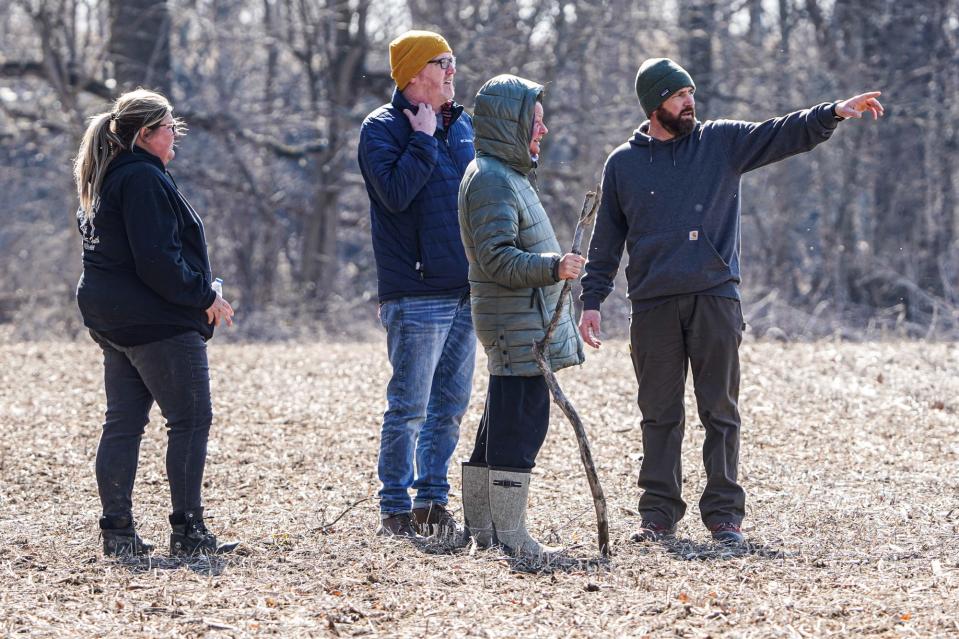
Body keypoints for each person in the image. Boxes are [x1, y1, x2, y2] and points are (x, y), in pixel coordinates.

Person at [579, 58, 883, 545]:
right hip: (653, 303)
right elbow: (607, 240)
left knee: (719, 410)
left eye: (691, 92)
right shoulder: (624, 164)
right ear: (655, 103)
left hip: (714, 296)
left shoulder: (718, 143)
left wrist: (833, 113)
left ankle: (724, 517)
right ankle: (657, 515)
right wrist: (592, 298)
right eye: (679, 95)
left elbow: (779, 133)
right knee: (659, 414)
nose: (689, 102)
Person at [74, 89, 239, 556]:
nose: (175, 136)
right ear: (145, 134)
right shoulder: (142, 178)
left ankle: (117, 532)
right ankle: (189, 533)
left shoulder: (109, 175)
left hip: (112, 319)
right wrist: (205, 295)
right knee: (190, 421)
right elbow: (156, 261)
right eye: (169, 127)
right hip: (154, 322)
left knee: (123, 423)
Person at [458, 74, 585, 558]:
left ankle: (485, 533)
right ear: (510, 124)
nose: (543, 131)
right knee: (520, 424)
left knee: (501, 420)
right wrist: (555, 267)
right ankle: (510, 540)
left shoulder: (502, 174)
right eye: (535, 122)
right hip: (516, 322)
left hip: (518, 319)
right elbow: (496, 258)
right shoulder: (491, 178)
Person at [357, 31, 476, 538]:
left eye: (451, 60)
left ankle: (432, 501)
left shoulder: (463, 124)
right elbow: (395, 195)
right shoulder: (381, 129)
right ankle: (394, 508)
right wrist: (423, 140)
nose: (452, 69)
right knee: (409, 408)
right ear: (412, 74)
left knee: (449, 409)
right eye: (441, 61)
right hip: (417, 294)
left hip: (467, 290)